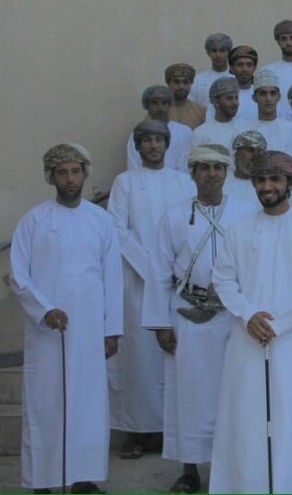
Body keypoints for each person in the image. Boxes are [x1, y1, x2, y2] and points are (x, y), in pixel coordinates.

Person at [209, 151, 292, 493]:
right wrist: (248, 315)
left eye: (275, 179)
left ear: (291, 183)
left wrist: (277, 324)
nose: (267, 186)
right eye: (261, 180)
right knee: (246, 416)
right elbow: (223, 279)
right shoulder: (239, 228)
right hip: (246, 337)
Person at [143, 145, 258, 494]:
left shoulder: (246, 213)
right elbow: (159, 270)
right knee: (188, 393)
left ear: (226, 173)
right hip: (188, 316)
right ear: (192, 173)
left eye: (218, 167)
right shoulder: (174, 216)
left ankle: (235, 468)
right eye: (204, 167)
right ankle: (190, 469)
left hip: (233, 315)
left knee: (235, 392)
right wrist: (161, 323)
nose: (211, 174)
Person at [12, 144, 122, 495]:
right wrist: (44, 309)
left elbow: (112, 278)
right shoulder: (34, 221)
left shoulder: (101, 220)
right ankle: (42, 480)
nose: (70, 179)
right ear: (51, 177)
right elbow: (18, 276)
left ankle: (84, 478)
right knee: (46, 404)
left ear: (85, 174)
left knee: (88, 404)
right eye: (62, 173)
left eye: (75, 171)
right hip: (48, 333)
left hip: (89, 331)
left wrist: (111, 329)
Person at [108, 120, 193, 458]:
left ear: (167, 144)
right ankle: (136, 431)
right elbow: (117, 229)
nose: (154, 146)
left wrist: (175, 269)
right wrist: (150, 268)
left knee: (172, 357)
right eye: (147, 140)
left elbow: (190, 227)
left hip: (177, 283)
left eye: (159, 140)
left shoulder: (183, 182)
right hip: (138, 282)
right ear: (138, 146)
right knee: (140, 358)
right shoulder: (125, 182)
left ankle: (170, 430)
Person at [126, 85, 193, 172]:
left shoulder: (184, 132)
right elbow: (133, 166)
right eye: (155, 103)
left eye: (164, 103)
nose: (160, 108)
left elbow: (186, 165)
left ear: (170, 105)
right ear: (147, 106)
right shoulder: (138, 133)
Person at [191, 77, 244, 152]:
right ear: (216, 102)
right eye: (229, 98)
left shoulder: (245, 128)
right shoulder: (201, 132)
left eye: (236, 98)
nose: (235, 103)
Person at [190, 33, 232, 106]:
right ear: (208, 52)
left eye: (222, 50)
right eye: (214, 51)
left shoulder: (236, 78)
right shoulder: (198, 80)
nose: (218, 55)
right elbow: (190, 106)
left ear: (228, 52)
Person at [165, 63, 205, 129]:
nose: (181, 86)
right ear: (168, 84)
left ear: (191, 84)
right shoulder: (160, 110)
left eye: (185, 82)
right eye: (177, 82)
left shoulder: (201, 111)